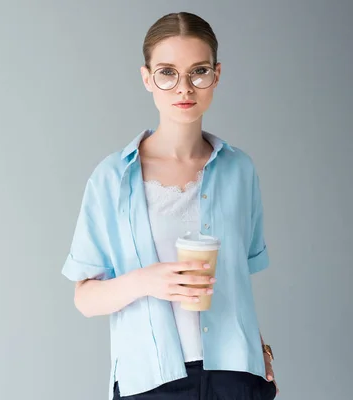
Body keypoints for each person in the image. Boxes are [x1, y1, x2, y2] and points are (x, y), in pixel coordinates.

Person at [61, 11, 279, 400]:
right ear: (147, 78)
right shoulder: (113, 178)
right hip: (151, 381)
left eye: (198, 71)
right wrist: (147, 280)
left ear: (217, 75)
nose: (185, 88)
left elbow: (238, 282)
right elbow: (84, 299)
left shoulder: (240, 170)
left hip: (236, 376)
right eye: (167, 72)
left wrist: (260, 352)